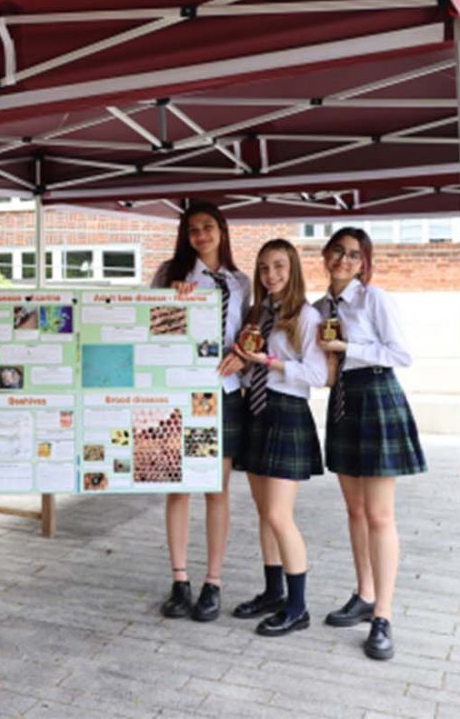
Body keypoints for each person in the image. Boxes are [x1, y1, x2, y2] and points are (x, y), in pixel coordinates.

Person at [313, 228, 425, 660]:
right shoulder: (319, 308)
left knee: (379, 515)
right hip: (343, 401)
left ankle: (383, 615)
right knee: (355, 510)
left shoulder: (374, 299)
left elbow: (401, 354)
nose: (344, 260)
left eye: (354, 255)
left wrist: (348, 346)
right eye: (338, 251)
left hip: (378, 396)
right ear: (325, 255)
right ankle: (363, 593)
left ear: (363, 263)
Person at [151, 202, 250, 622]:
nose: (202, 236)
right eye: (193, 230)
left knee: (216, 488)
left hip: (223, 392)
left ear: (222, 231)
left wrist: (244, 358)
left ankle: (213, 582)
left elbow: (251, 335)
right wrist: (176, 306)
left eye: (208, 227)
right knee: (178, 485)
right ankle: (180, 580)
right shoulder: (169, 275)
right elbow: (151, 329)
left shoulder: (241, 282)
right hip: (178, 390)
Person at [229, 239, 327, 637]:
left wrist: (269, 362)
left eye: (279, 267)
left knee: (278, 515)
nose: (271, 275)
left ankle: (298, 606)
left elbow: (318, 376)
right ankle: (273, 593)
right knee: (263, 512)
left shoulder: (304, 315)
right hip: (255, 410)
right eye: (265, 267)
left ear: (294, 269)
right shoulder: (258, 311)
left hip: (286, 412)